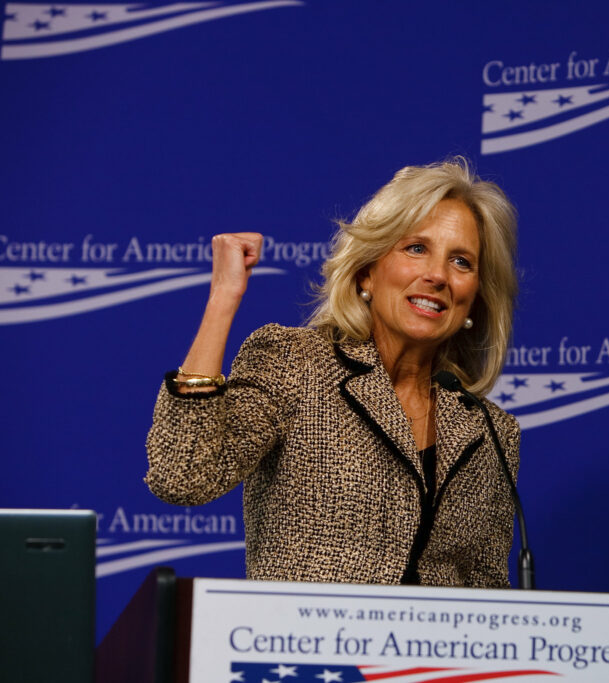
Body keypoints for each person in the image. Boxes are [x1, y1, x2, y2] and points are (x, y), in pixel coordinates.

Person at [145, 159, 520, 587]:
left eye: (461, 262)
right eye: (416, 248)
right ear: (367, 273)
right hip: (306, 649)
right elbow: (183, 475)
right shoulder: (296, 363)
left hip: (432, 654)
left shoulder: (490, 431)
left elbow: (487, 590)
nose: (437, 275)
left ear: (475, 299)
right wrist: (223, 298)